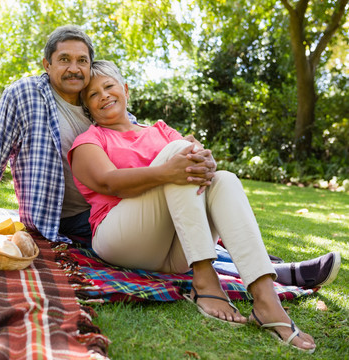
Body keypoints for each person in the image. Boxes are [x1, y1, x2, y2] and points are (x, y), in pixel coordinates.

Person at [0, 25, 340, 289]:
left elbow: (133, 139)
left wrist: (198, 158)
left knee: (208, 191)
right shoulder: (26, 94)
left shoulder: (93, 102)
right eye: (64, 59)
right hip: (69, 218)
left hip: (126, 207)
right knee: (180, 190)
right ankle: (251, 272)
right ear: (47, 64)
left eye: (82, 61)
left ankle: (275, 271)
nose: (74, 69)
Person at [67, 60, 331, 352]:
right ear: (88, 109)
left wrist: (207, 161)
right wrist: (170, 170)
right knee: (178, 153)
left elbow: (197, 165)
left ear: (125, 90)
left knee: (225, 180)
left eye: (108, 86)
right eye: (93, 94)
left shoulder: (160, 130)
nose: (103, 95)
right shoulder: (89, 140)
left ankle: (265, 300)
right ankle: (205, 280)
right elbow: (108, 182)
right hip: (121, 240)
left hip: (177, 254)